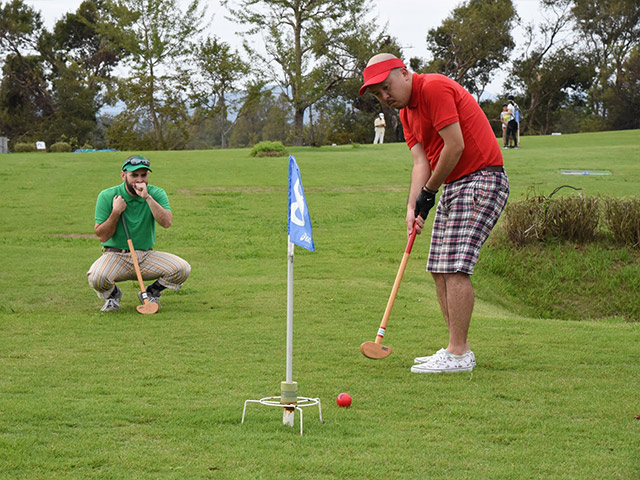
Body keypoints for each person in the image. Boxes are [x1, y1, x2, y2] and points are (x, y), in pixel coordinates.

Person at [359, 53, 509, 373]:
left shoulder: (434, 88)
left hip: (481, 178)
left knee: (454, 266)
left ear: (403, 72)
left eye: (387, 87)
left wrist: (429, 192)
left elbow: (454, 146)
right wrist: (413, 204)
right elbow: (420, 162)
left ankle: (457, 354)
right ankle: (458, 349)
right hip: (455, 183)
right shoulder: (406, 115)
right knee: (439, 267)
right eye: (378, 94)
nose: (385, 97)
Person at [87, 155, 191, 311]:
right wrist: (116, 211)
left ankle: (151, 293)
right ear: (124, 175)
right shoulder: (108, 195)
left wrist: (147, 198)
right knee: (96, 277)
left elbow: (166, 222)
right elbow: (102, 235)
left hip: (146, 256)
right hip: (115, 255)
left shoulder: (156, 193)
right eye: (134, 175)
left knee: (182, 268)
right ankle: (113, 295)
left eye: (143, 175)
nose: (139, 180)